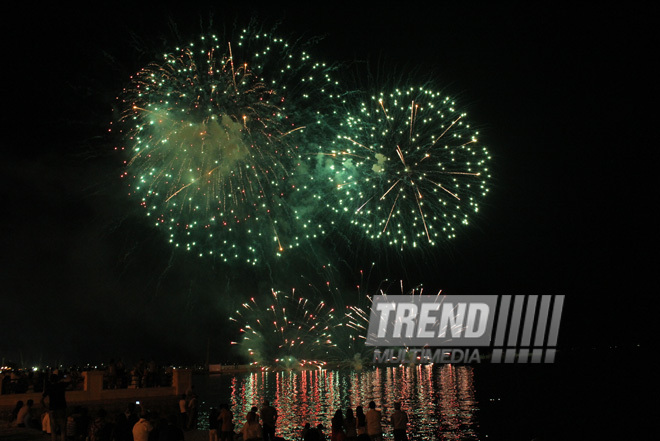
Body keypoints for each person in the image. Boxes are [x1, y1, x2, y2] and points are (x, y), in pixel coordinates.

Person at [41, 374, 68, 441]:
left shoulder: (49, 387)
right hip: (61, 408)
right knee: (63, 430)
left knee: (53, 430)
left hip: (52, 409)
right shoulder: (61, 386)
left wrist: (45, 407)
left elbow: (41, 400)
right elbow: (70, 380)